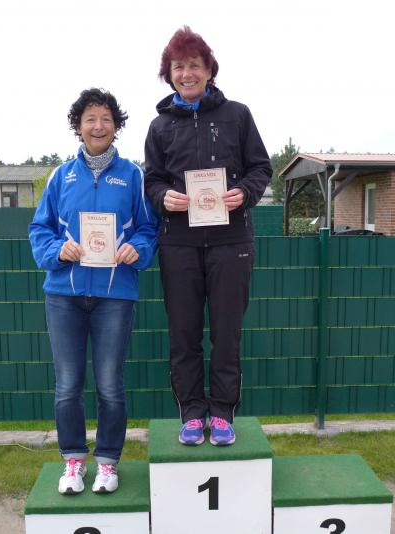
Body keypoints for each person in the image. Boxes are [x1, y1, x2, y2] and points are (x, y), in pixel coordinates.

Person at [144, 27, 272, 446]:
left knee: (226, 334)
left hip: (231, 243)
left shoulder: (238, 115)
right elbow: (152, 180)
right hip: (178, 245)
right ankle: (191, 414)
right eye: (178, 67)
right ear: (169, 74)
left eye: (194, 65)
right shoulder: (159, 126)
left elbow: (261, 168)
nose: (187, 73)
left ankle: (221, 413)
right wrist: (163, 198)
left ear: (209, 70)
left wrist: (245, 193)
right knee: (183, 335)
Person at [30, 88, 159, 494]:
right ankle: (73, 461)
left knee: (109, 385)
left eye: (106, 118)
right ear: (78, 126)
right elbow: (40, 229)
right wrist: (57, 250)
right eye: (90, 119)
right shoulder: (60, 176)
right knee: (68, 385)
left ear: (116, 126)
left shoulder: (134, 176)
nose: (98, 126)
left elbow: (148, 228)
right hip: (63, 296)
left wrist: (137, 249)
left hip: (114, 296)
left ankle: (107, 462)